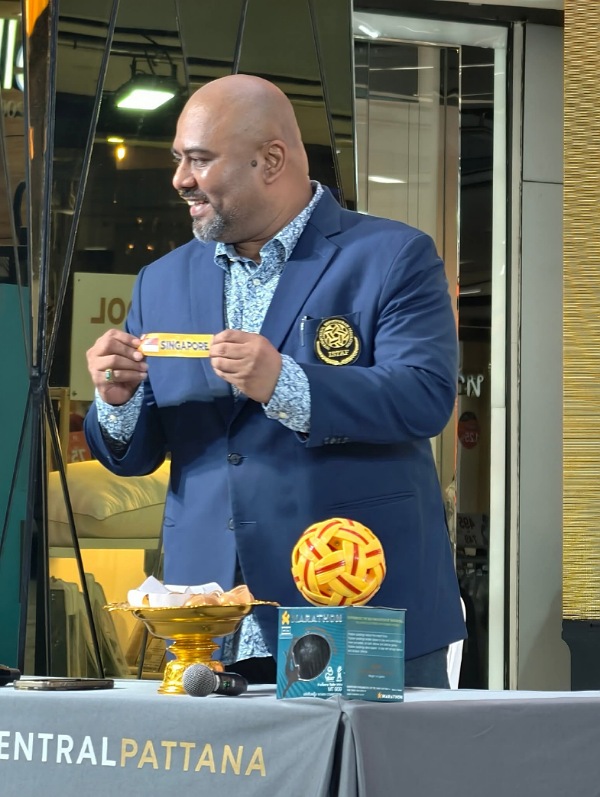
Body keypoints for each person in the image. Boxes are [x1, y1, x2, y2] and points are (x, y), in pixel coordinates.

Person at [84, 74, 466, 687]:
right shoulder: (162, 280)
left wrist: (287, 383)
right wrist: (117, 402)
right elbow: (137, 453)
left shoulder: (392, 256)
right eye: (179, 159)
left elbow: (424, 396)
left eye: (199, 159)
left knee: (369, 756)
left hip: (354, 602)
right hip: (207, 618)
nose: (180, 179)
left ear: (270, 161)